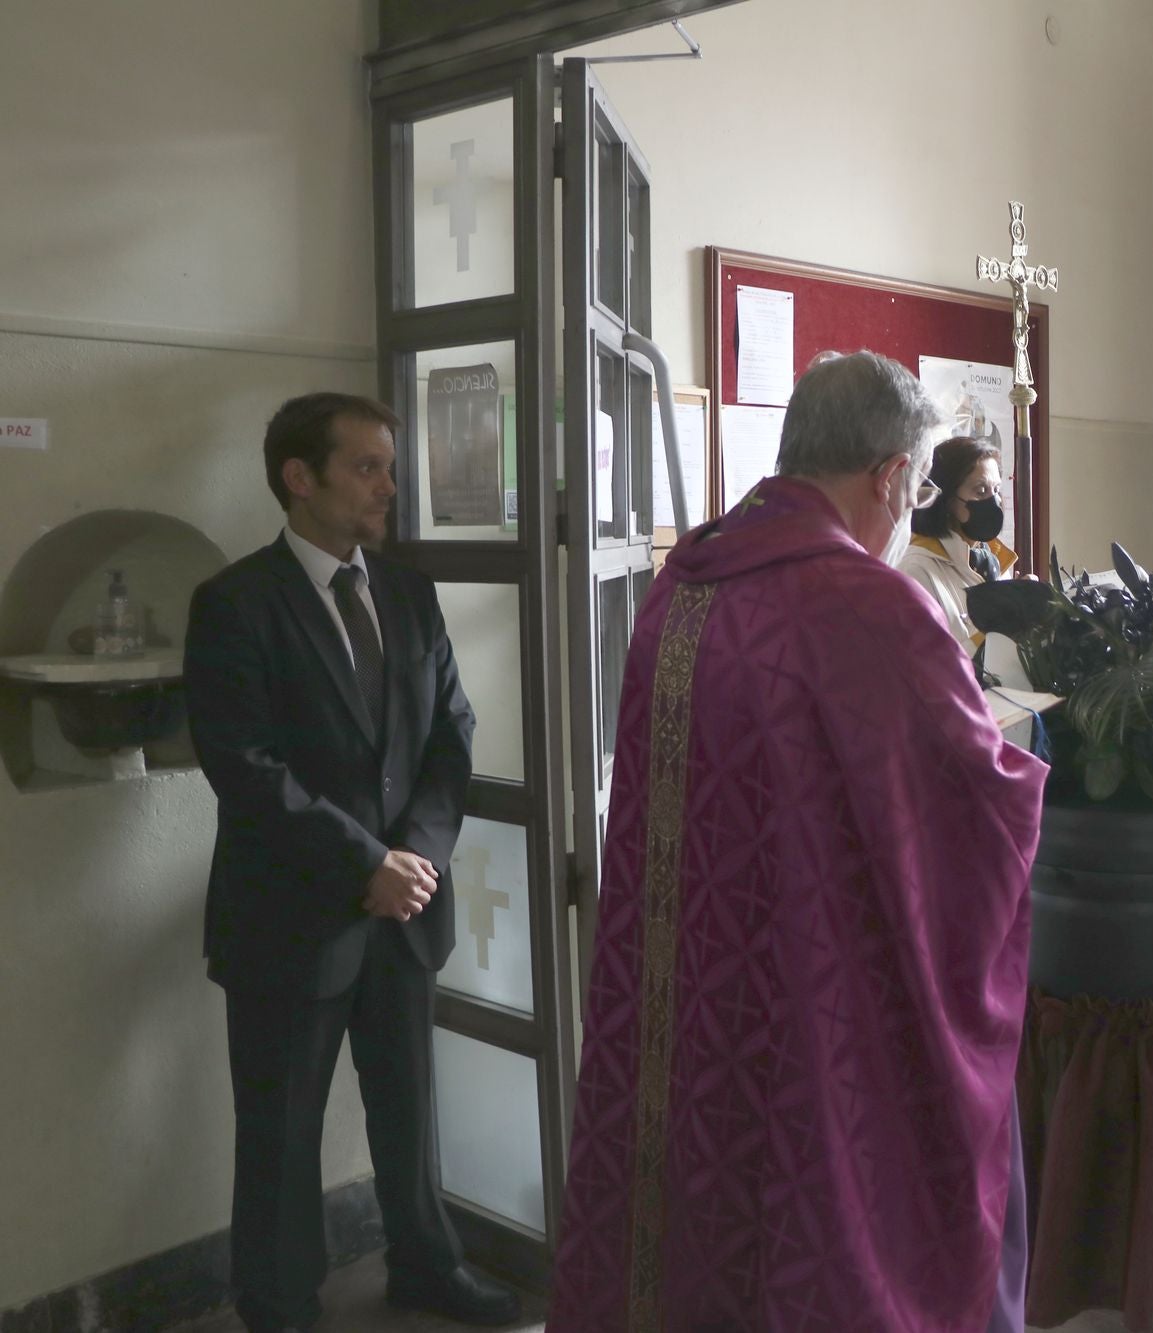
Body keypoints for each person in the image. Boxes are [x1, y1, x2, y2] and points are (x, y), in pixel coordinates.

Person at [548, 351, 1048, 1332]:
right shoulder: (870, 606)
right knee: (842, 1206)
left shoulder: (682, 588)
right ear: (892, 476)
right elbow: (971, 801)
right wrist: (1025, 774)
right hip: (831, 996)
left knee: (710, 1213)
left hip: (690, 988)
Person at [183, 394, 518, 1333]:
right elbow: (244, 767)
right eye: (367, 466)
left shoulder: (408, 591)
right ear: (301, 477)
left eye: (389, 465)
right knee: (282, 1134)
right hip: (291, 917)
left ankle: (424, 1263)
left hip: (404, 908)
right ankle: (281, 1306)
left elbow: (451, 730)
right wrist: (362, 860)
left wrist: (416, 854)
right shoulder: (235, 603)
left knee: (409, 1115)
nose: (389, 485)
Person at [899, 434, 1019, 657]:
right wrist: (999, 623)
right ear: (947, 498)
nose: (993, 502)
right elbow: (935, 662)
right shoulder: (916, 569)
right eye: (980, 490)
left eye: (996, 490)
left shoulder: (993, 559)